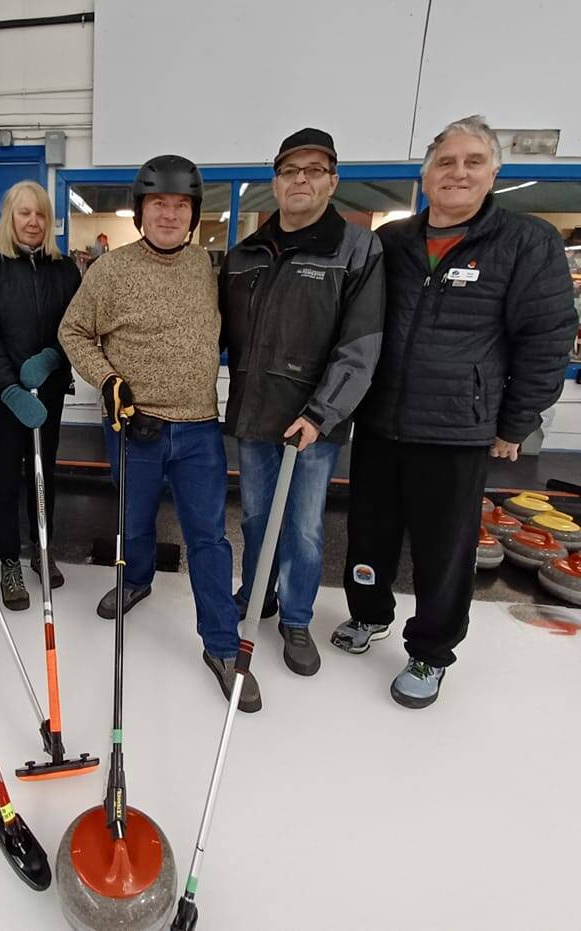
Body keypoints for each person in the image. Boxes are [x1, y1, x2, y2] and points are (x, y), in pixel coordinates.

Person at [331, 115, 577, 707]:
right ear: (425, 173)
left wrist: (516, 422)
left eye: (472, 162)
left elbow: (545, 339)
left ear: (494, 172)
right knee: (368, 533)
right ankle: (369, 615)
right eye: (446, 161)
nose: (458, 173)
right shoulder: (393, 244)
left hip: (458, 430)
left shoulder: (525, 242)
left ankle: (431, 652)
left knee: (445, 550)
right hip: (382, 420)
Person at [59, 154, 261, 713]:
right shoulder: (111, 270)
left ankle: (222, 647)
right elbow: (73, 331)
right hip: (134, 424)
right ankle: (137, 580)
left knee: (208, 538)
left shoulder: (207, 268)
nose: (169, 214)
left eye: (180, 205)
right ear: (142, 209)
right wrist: (108, 381)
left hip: (197, 429)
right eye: (159, 204)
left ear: (193, 214)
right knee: (134, 516)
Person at [220, 128, 385, 677]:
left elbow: (360, 344)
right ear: (275, 181)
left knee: (307, 527)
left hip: (314, 423)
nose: (301, 180)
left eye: (314, 170)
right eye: (291, 170)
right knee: (257, 517)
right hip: (254, 414)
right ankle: (259, 592)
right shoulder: (245, 252)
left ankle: (295, 616)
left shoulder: (357, 249)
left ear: (332, 181)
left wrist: (320, 413)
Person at [0, 181, 82, 610]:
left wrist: (53, 358)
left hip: (47, 391)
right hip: (4, 396)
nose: (33, 222)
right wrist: (10, 387)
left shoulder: (64, 269)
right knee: (3, 478)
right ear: (9, 218)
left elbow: (75, 327)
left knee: (42, 472)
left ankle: (42, 550)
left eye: (40, 215)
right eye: (24, 213)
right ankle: (10, 560)